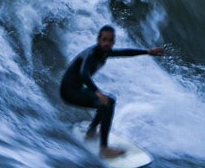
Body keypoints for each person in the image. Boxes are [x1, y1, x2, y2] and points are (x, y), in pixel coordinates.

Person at [60, 25, 163, 158]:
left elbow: (125, 52)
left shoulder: (106, 52)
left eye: (110, 40)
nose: (107, 43)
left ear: (113, 41)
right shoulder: (91, 53)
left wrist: (148, 52)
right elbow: (84, 73)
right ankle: (104, 149)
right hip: (69, 92)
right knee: (107, 102)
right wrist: (97, 92)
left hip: (78, 89)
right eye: (104, 40)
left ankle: (91, 132)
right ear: (98, 40)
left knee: (107, 100)